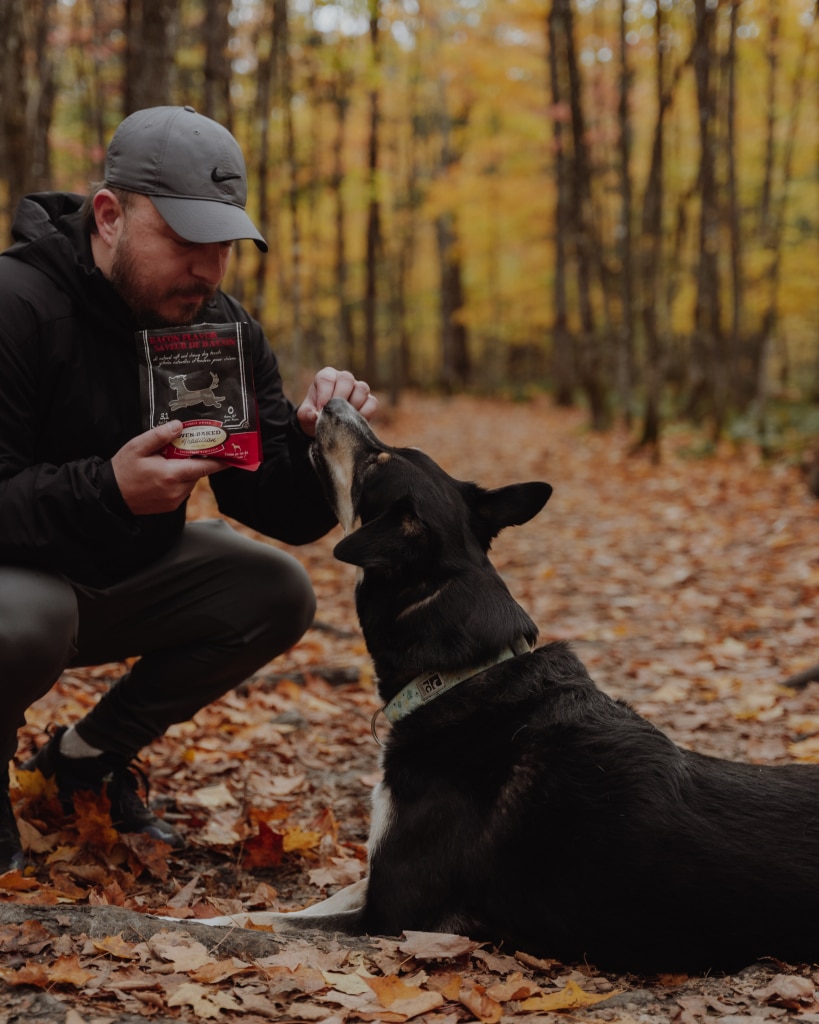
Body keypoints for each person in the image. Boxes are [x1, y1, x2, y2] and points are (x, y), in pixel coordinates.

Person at [0, 105, 377, 873]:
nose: (208, 269)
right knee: (24, 618)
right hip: (20, 585)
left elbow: (270, 508)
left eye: (223, 246)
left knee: (275, 588)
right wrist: (108, 489)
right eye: (183, 241)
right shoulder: (15, 306)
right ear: (109, 215)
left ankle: (82, 759)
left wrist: (308, 443)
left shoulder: (221, 328)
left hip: (124, 571)